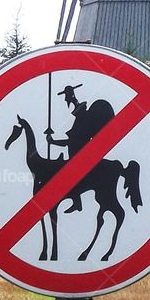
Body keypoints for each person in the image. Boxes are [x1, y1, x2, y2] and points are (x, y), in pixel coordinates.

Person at [45, 84, 115, 213]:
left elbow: (70, 140)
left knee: (69, 176)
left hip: (78, 157)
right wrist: (53, 141)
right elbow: (69, 142)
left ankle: (77, 202)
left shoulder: (83, 125)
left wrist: (72, 97)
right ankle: (76, 201)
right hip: (75, 154)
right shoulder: (81, 123)